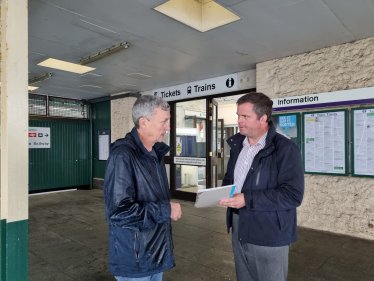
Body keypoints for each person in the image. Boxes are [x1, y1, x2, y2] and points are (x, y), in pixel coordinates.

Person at [219, 92, 304, 281]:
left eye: (245, 116)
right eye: (238, 115)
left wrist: (246, 199)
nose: (239, 120)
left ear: (263, 118)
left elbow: (292, 195)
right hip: (239, 225)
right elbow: (230, 179)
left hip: (269, 231)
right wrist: (222, 193)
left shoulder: (285, 148)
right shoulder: (238, 146)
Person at [103, 95, 182, 281]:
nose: (168, 127)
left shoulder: (156, 153)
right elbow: (118, 212)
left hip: (156, 254)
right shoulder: (122, 156)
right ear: (143, 122)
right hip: (135, 260)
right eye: (163, 121)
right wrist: (165, 209)